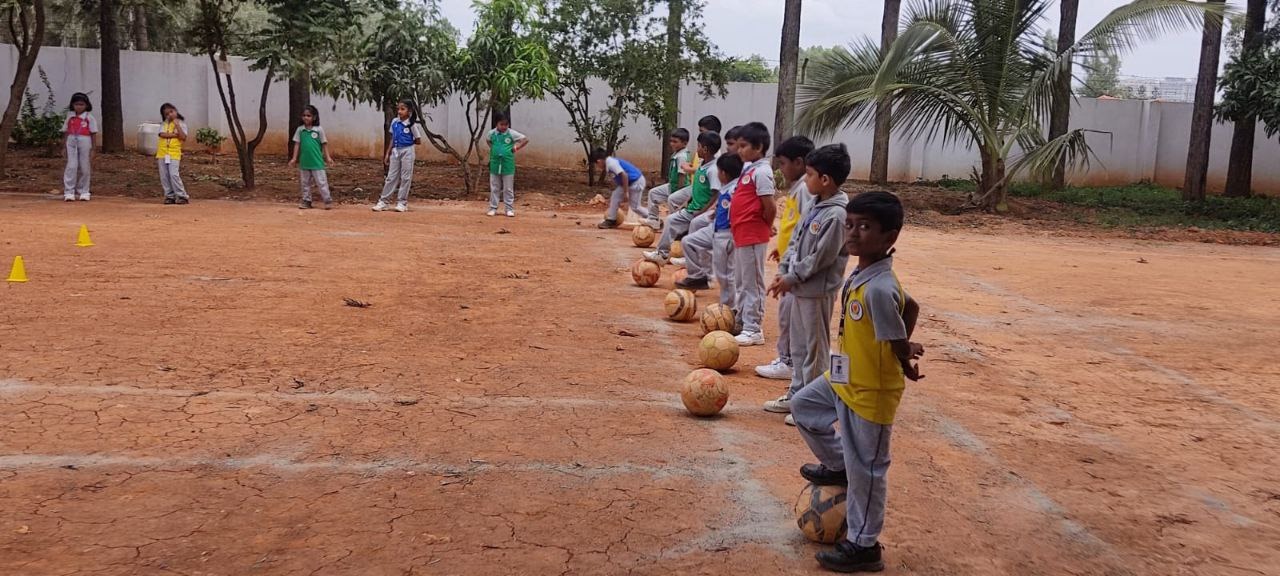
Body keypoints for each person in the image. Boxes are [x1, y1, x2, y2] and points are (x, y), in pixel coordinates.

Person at [790, 190, 923, 573]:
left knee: (868, 469)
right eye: (849, 224)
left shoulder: (879, 288)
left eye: (864, 227)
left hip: (870, 392)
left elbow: (897, 331)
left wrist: (905, 355)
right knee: (803, 406)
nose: (852, 233)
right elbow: (911, 304)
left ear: (890, 236)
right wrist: (904, 351)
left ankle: (864, 545)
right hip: (844, 378)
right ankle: (838, 464)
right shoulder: (867, 273)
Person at [764, 144, 851, 426]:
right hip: (800, 288)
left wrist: (792, 277)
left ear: (825, 179)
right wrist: (785, 271)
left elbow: (821, 258)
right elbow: (796, 242)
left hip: (817, 292)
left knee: (815, 350)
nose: (806, 179)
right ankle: (798, 395)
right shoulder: (815, 204)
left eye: (810, 174)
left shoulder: (836, 215)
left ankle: (815, 406)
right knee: (800, 347)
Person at [756, 136, 816, 382]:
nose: (780, 169)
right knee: (786, 313)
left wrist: (792, 261)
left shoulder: (805, 190)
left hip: (797, 266)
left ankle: (788, 361)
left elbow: (806, 228)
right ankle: (788, 358)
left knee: (790, 315)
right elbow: (794, 226)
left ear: (799, 162)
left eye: (782, 163)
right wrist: (782, 249)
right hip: (790, 259)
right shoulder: (798, 188)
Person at [728, 122, 776, 346]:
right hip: (742, 233)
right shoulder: (749, 169)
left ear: (759, 147)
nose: (739, 150)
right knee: (742, 280)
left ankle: (753, 328)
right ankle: (742, 319)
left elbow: (770, 206)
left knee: (752, 282)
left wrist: (766, 225)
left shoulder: (763, 172)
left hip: (753, 234)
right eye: (738, 146)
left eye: (744, 146)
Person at [678, 151, 742, 318]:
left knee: (725, 275)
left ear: (724, 173)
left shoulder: (736, 190)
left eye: (718, 171)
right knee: (689, 241)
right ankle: (698, 275)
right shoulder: (727, 187)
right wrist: (716, 213)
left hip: (726, 234)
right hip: (715, 228)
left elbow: (738, 210)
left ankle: (729, 310)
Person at [643, 131, 720, 265]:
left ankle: (690, 259)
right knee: (671, 220)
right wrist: (688, 202)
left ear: (705, 149)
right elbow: (698, 189)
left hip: (702, 211)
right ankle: (662, 254)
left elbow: (716, 193)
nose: (697, 149)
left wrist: (704, 211)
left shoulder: (713, 170)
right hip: (693, 208)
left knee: (696, 232)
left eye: (698, 146)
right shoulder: (703, 164)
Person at [374, 100, 425, 213]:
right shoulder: (395, 122)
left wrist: (407, 142)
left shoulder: (411, 124)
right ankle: (384, 201)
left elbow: (418, 140)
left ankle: (402, 202)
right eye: (398, 109)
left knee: (405, 177)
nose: (399, 111)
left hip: (407, 151)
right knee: (391, 176)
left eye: (403, 109)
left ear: (409, 111)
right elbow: (393, 138)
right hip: (396, 151)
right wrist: (388, 153)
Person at [644, 128, 692, 229]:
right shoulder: (676, 153)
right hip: (672, 185)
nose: (672, 144)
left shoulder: (682, 156)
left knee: (673, 202)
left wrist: (678, 192)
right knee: (653, 193)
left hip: (681, 187)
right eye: (671, 141)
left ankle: (676, 226)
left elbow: (682, 175)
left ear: (684, 143)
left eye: (675, 142)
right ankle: (653, 219)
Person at [289, 104, 334, 210]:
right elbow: (297, 144)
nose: (306, 118)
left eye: (308, 115)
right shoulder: (300, 130)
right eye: (304, 115)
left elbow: (324, 144)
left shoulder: (319, 130)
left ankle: (327, 200)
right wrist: (294, 158)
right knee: (305, 183)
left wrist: (328, 158)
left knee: (321, 182)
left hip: (317, 162)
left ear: (314, 117)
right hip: (304, 162)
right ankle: (306, 201)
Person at [485, 111, 529, 217]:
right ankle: (493, 208)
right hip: (495, 163)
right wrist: (494, 149)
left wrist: (516, 147)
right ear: (496, 124)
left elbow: (525, 139)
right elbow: (488, 140)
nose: (504, 127)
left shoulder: (512, 133)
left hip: (507, 164)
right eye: (501, 124)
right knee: (495, 187)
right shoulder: (491, 134)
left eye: (506, 124)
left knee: (508, 188)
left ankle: (509, 208)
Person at [594, 148, 647, 229]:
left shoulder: (611, 163)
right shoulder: (609, 163)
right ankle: (611, 219)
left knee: (635, 207)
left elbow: (624, 175)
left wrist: (626, 193)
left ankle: (653, 218)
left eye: (596, 164)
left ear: (599, 161)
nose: (598, 166)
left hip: (636, 182)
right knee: (615, 196)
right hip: (630, 182)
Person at [61, 92, 97, 202]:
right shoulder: (70, 117)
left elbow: (93, 133)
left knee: (84, 166)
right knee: (71, 166)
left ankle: (84, 191)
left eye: (81, 104)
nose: (79, 107)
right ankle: (69, 191)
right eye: (76, 104)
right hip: (71, 140)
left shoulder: (89, 118)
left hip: (85, 140)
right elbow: (65, 132)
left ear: (86, 105)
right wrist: (63, 147)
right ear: (72, 105)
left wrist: (93, 149)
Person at [156, 103, 189, 205]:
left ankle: (182, 196)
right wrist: (175, 135)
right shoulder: (163, 124)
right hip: (162, 153)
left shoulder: (181, 124)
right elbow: (162, 134)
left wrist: (177, 125)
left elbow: (183, 137)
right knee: (164, 176)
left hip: (174, 153)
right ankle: (169, 196)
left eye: (171, 112)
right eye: (167, 114)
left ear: (175, 110)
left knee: (173, 174)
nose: (170, 115)